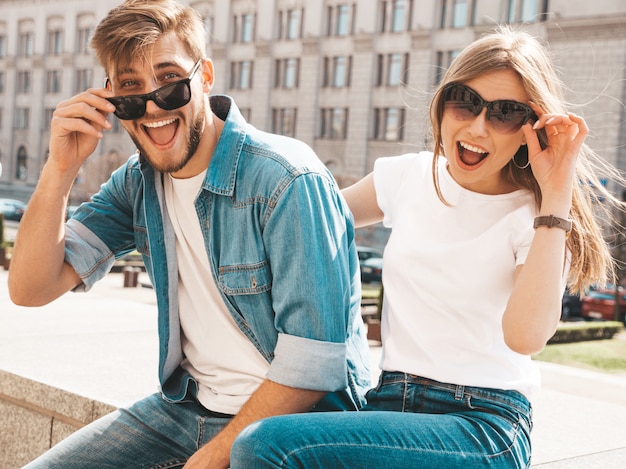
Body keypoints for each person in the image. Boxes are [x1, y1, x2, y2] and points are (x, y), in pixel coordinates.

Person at [229, 26, 626, 468]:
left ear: (529, 131)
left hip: (483, 425)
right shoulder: (406, 177)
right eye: (465, 101)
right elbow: (305, 225)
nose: (477, 126)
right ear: (442, 103)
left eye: (505, 113)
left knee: (263, 445)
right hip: (390, 403)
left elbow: (526, 337)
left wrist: (556, 195)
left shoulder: (536, 220)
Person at [7, 1, 371, 468]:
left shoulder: (286, 179)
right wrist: (61, 169)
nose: (153, 105)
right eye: (130, 90)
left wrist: (213, 457)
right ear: (110, 99)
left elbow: (313, 369)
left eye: (169, 81)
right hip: (186, 409)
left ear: (206, 76)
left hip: (292, 428)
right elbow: (29, 289)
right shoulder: (137, 183)